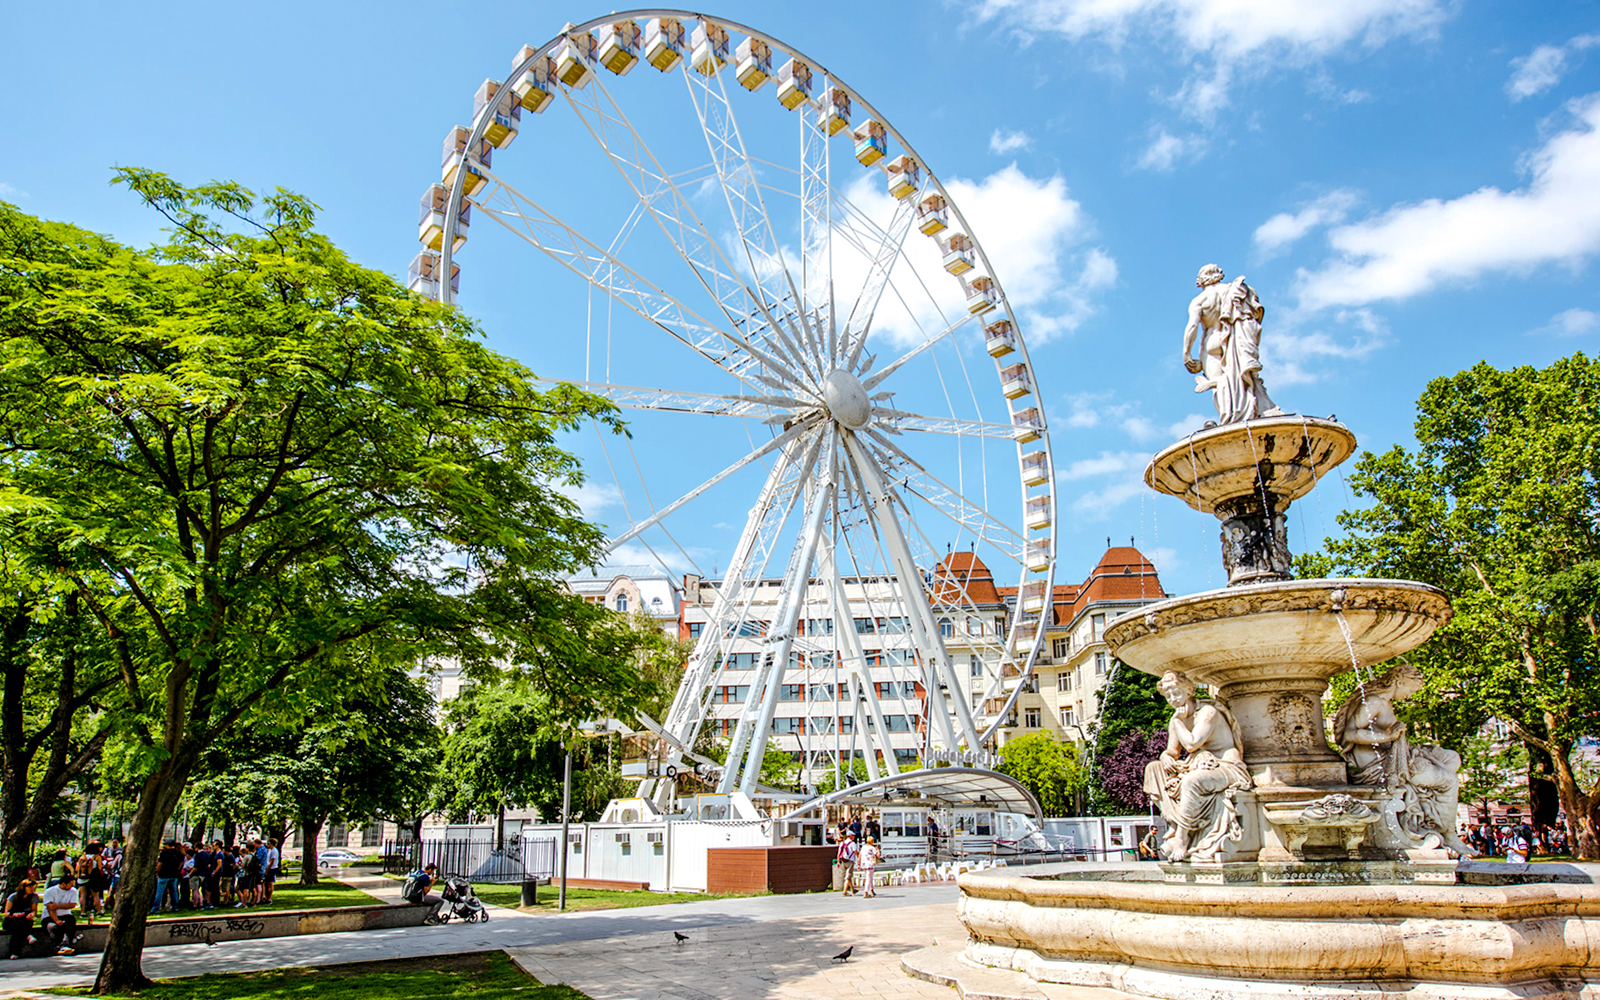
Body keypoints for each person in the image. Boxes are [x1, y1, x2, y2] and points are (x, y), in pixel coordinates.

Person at [1143, 670, 1252, 863]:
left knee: (1192, 781)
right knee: (1153, 769)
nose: (1172, 699)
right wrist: (1165, 756)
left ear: (1189, 691)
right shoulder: (1177, 718)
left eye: (1176, 693)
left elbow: (1192, 744)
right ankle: (1175, 823)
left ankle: (1182, 838)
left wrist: (1177, 721)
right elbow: (1172, 751)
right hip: (1199, 765)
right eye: (1168, 696)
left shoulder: (1207, 713)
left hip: (1227, 766)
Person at [1181, 263, 1282, 425]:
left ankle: (1229, 418)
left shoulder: (1200, 300)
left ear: (1200, 280)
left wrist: (1186, 353)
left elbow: (1192, 326)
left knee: (1220, 389)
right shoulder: (1236, 290)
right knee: (1242, 380)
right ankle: (1251, 412)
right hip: (1235, 340)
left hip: (1212, 344)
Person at [41, 873, 81, 955]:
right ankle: (60, 945)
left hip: (66, 915)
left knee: (70, 922)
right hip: (49, 916)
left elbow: (72, 904)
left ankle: (67, 944)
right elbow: (50, 908)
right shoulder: (50, 891)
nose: (72, 886)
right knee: (54, 927)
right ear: (63, 884)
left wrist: (57, 906)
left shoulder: (73, 891)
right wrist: (56, 920)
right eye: (70, 884)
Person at [4, 879, 41, 960]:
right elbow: (7, 912)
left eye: (33, 887)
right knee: (18, 923)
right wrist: (14, 914)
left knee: (18, 931)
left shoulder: (34, 897)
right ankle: (28, 935)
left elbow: (34, 910)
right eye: (30, 887)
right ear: (23, 888)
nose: (32, 889)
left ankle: (14, 953)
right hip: (12, 921)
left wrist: (32, 914)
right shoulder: (13, 897)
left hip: (24, 921)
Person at [152, 839, 182, 913]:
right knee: (174, 891)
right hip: (174, 874)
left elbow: (159, 864)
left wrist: (157, 872)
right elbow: (181, 863)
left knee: (160, 892)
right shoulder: (178, 852)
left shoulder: (164, 853)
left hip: (164, 874)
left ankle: (155, 908)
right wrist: (176, 870)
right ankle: (175, 907)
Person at [835, 832, 858, 897]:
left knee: (848, 875)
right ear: (850, 836)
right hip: (850, 861)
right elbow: (855, 852)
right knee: (848, 876)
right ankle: (844, 891)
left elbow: (839, 853)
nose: (854, 837)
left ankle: (853, 889)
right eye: (853, 836)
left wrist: (838, 861)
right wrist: (859, 859)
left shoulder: (842, 843)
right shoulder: (852, 843)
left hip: (843, 860)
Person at [262, 838, 281, 903]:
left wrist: (267, 870)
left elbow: (272, 862)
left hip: (272, 869)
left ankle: (269, 898)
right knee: (267, 883)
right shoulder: (270, 850)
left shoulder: (274, 851)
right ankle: (266, 897)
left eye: (269, 844)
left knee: (270, 883)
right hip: (270, 868)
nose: (268, 845)